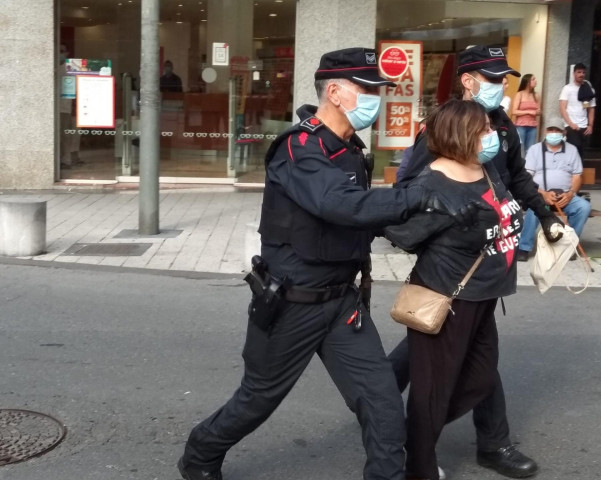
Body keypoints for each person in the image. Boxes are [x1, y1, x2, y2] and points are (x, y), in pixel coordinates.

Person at [176, 47, 481, 480]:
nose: (378, 98)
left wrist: (439, 219)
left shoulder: (350, 149)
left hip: (342, 304)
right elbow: (340, 205)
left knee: (381, 403)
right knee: (258, 398)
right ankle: (201, 452)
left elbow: (368, 220)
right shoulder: (299, 149)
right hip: (292, 304)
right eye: (369, 89)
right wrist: (426, 192)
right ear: (335, 92)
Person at [389, 45, 565, 479]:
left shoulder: (498, 128)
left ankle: (389, 416)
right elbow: (409, 201)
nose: (501, 86)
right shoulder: (442, 131)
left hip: (483, 274)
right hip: (452, 278)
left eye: (504, 78)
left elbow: (516, 178)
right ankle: (432, 438)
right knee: (438, 361)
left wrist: (544, 214)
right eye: (492, 78)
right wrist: (446, 220)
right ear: (467, 81)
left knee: (446, 358)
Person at [385, 98, 524, 480]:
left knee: (479, 377)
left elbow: (504, 209)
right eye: (483, 129)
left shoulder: (486, 168)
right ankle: (419, 466)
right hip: (448, 295)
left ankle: (401, 434)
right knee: (433, 392)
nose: (492, 135)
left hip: (484, 294)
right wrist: (443, 218)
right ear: (461, 134)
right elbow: (401, 233)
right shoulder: (431, 180)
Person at [517, 117, 591, 262]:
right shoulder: (535, 149)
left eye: (557, 130)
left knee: (584, 207)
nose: (554, 133)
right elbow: (526, 177)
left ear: (563, 132)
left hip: (564, 195)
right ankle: (524, 247)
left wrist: (570, 194)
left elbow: (577, 177)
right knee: (534, 207)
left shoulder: (572, 150)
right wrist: (543, 193)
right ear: (546, 131)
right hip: (541, 194)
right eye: (551, 130)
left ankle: (568, 246)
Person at [559, 62, 596, 160]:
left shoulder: (589, 89)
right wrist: (570, 124)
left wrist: (591, 125)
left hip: (584, 126)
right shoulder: (567, 89)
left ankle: (579, 174)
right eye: (579, 72)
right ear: (574, 74)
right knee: (574, 148)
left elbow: (591, 108)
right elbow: (562, 108)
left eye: (583, 72)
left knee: (581, 153)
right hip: (571, 126)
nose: (581, 74)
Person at [512, 74, 541, 155]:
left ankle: (528, 166)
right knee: (520, 148)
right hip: (520, 125)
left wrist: (538, 112)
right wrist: (528, 112)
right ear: (528, 82)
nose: (536, 81)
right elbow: (514, 111)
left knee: (531, 149)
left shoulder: (536, 95)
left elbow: (539, 111)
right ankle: (520, 166)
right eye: (533, 79)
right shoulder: (519, 94)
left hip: (532, 126)